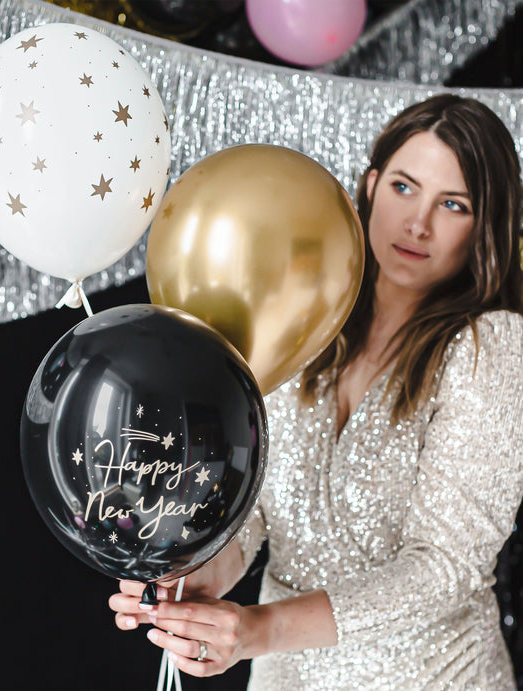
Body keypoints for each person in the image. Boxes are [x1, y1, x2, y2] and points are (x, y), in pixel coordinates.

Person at [108, 94, 523, 690]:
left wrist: (256, 630)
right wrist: (196, 583)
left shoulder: (490, 346)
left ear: (485, 225)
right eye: (404, 187)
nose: (418, 223)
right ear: (371, 186)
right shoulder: (304, 310)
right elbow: (254, 512)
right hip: (285, 678)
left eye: (453, 204)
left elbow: (446, 568)